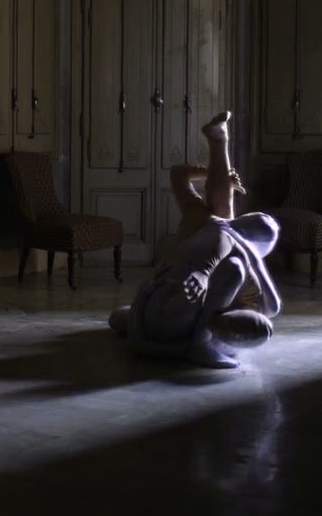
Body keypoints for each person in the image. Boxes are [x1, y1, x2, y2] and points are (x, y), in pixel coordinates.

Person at [110, 111, 282, 368]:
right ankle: (218, 141)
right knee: (223, 214)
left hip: (193, 260)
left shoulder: (225, 243)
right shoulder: (236, 258)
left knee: (218, 215)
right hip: (198, 264)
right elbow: (266, 301)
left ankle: (217, 142)